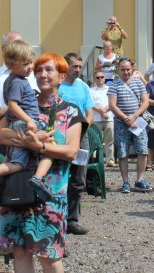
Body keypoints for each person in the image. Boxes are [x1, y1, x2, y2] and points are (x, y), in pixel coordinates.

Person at [0, 52, 86, 270]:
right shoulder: (22, 106)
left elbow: (71, 151)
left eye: (49, 70)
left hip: (49, 193)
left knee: (49, 253)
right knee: (20, 250)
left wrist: (40, 146)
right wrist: (26, 141)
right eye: (39, 70)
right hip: (17, 186)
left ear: (61, 77)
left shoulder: (71, 111)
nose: (43, 75)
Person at [0, 41, 55, 202]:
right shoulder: (17, 82)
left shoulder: (16, 80)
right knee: (47, 148)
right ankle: (36, 178)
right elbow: (12, 106)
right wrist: (29, 121)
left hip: (22, 123)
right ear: (10, 65)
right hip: (26, 124)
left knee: (19, 160)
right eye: (25, 64)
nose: (30, 67)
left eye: (31, 62)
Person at [0, 32, 38, 155]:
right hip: (7, 137)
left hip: (32, 131)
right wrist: (16, 112)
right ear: (5, 50)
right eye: (16, 44)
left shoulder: (34, 72)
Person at [58, 53, 94, 236]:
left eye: (80, 66)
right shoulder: (59, 87)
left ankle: (72, 219)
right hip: (61, 138)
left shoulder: (83, 87)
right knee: (60, 177)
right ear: (66, 66)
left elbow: (90, 112)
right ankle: (57, 218)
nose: (78, 70)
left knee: (79, 179)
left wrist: (83, 130)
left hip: (82, 137)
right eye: (75, 66)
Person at [108, 58, 152, 193]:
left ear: (131, 69)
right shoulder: (114, 85)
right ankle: (125, 182)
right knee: (122, 153)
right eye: (123, 69)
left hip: (138, 121)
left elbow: (145, 102)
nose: (126, 72)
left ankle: (139, 180)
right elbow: (112, 105)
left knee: (143, 151)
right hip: (121, 123)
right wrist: (126, 118)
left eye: (128, 69)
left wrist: (134, 116)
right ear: (119, 70)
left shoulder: (139, 83)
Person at [90, 71, 115, 167]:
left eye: (102, 77)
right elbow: (91, 104)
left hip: (109, 118)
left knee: (110, 140)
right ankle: (94, 159)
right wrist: (103, 112)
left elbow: (113, 102)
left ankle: (110, 160)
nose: (100, 79)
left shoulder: (110, 89)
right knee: (95, 141)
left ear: (104, 78)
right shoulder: (91, 90)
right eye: (98, 77)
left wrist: (104, 112)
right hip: (96, 119)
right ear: (95, 79)